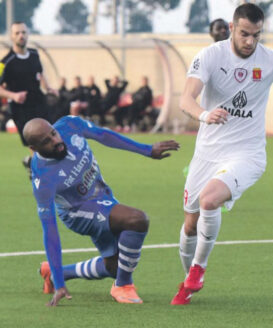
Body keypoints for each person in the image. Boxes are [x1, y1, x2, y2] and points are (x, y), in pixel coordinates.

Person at [170, 3, 273, 305]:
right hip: (207, 154)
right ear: (232, 28)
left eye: (256, 35)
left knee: (209, 199)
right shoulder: (210, 56)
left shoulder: (271, 60)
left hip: (247, 154)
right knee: (190, 223)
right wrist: (205, 115)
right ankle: (188, 279)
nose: (250, 42)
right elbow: (186, 98)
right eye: (244, 34)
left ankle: (198, 270)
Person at [23, 116, 179, 306]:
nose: (56, 141)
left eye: (53, 134)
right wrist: (62, 287)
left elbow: (104, 135)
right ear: (34, 149)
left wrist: (147, 150)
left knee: (115, 266)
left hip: (103, 197)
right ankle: (122, 286)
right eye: (46, 142)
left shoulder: (70, 125)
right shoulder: (43, 180)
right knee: (136, 220)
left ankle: (55, 273)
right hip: (78, 212)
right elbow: (50, 231)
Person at [0, 22, 56, 173]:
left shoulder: (34, 54)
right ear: (12, 36)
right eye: (17, 33)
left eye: (24, 32)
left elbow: (40, 73)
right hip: (21, 108)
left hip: (39, 101)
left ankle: (33, 164)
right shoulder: (5, 62)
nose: (21, 36)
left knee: (50, 135)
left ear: (28, 34)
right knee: (36, 141)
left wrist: (48, 87)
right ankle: (41, 173)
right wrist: (13, 95)